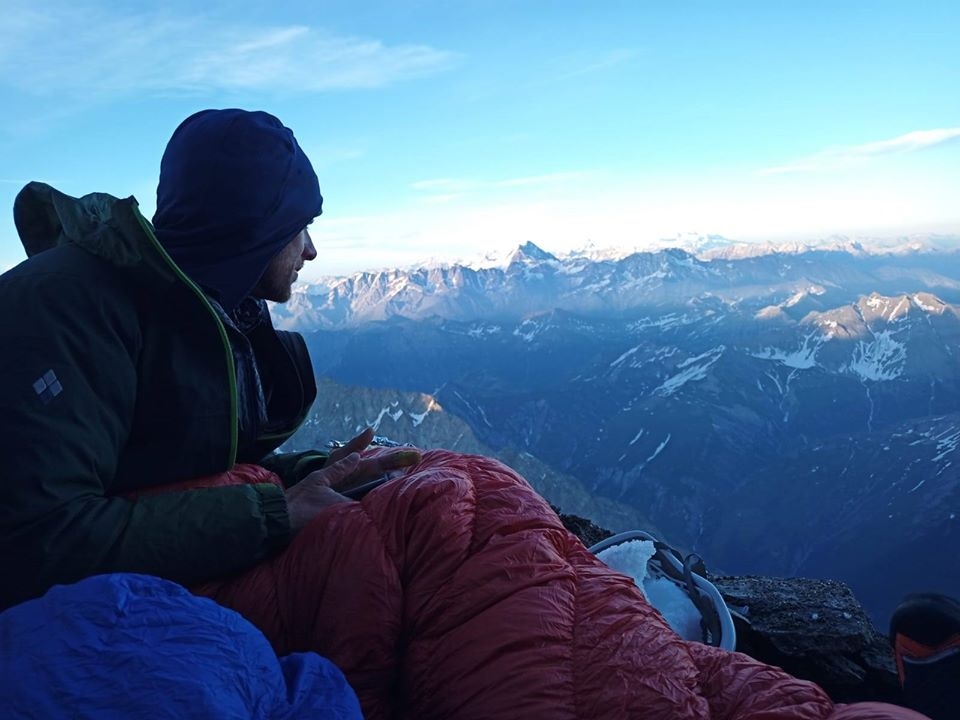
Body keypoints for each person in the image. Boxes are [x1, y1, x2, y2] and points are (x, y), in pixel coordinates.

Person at [0, 109, 926, 720]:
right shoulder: (63, 313)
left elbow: (159, 467)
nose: (314, 249)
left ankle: (724, 690)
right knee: (453, 518)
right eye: (298, 226)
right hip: (140, 600)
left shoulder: (184, 303)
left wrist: (303, 477)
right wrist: (273, 510)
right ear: (248, 228)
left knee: (455, 487)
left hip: (202, 561)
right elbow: (34, 541)